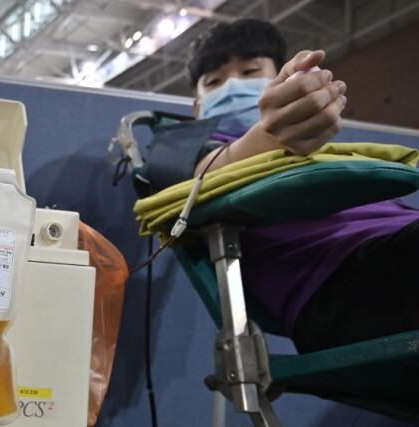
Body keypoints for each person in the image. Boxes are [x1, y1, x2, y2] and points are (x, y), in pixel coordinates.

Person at [165, 18, 419, 353]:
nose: (232, 86)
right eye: (214, 81)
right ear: (197, 107)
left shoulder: (330, 149)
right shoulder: (181, 143)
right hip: (337, 282)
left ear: (279, 81)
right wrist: (265, 138)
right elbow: (203, 178)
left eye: (250, 71)